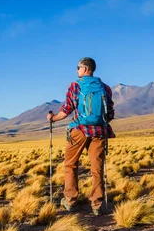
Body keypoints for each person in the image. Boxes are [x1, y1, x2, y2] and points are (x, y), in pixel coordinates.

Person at [47, 57, 115, 215]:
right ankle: (97, 204)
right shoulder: (105, 88)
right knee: (97, 168)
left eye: (78, 67)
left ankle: (70, 200)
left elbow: (66, 110)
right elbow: (110, 113)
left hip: (79, 131)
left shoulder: (75, 85)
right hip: (99, 132)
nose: (77, 70)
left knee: (70, 164)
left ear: (85, 69)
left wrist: (52, 118)